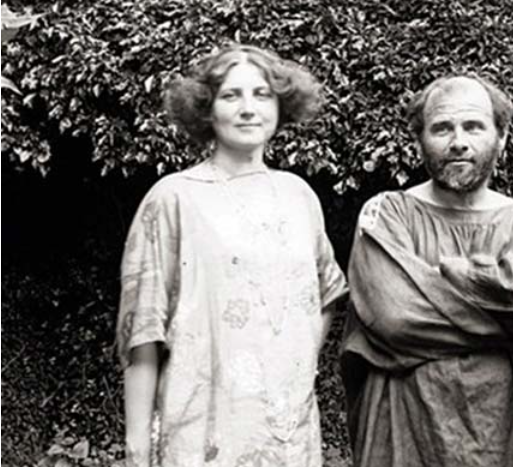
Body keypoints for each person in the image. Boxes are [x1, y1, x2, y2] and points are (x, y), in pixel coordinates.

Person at [117, 44, 347, 467]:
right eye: (230, 95)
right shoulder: (173, 198)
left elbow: (326, 292)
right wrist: (136, 446)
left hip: (288, 436)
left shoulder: (298, 196)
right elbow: (142, 331)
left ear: (280, 105)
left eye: (261, 95)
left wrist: (294, 367)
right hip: (199, 433)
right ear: (206, 109)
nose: (248, 109)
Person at [341, 75, 513, 467]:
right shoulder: (387, 214)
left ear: (501, 138)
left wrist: (447, 278)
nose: (458, 141)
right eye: (442, 128)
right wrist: (511, 317)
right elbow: (395, 317)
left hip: (509, 431)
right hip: (406, 430)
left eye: (473, 126)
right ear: (418, 140)